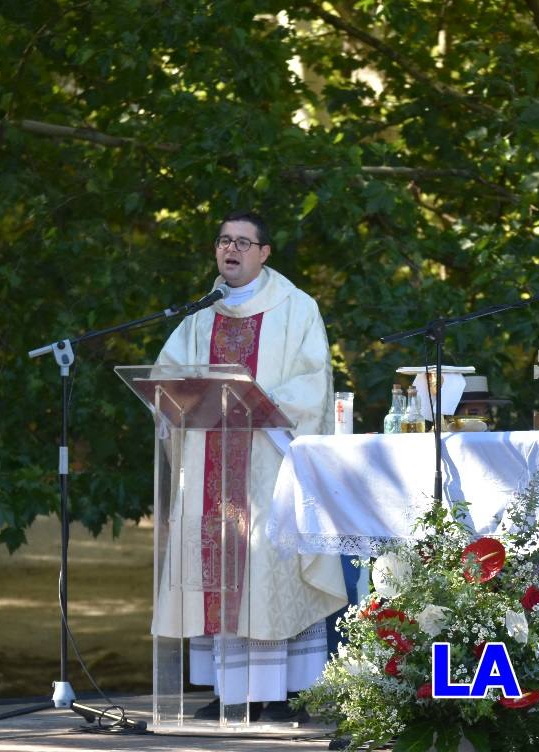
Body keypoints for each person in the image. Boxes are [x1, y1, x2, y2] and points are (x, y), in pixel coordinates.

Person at [152, 209, 347, 721]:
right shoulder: (200, 314)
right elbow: (166, 380)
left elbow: (313, 385)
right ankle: (228, 690)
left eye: (242, 242)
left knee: (267, 567)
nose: (230, 250)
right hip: (210, 461)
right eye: (222, 241)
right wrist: (176, 402)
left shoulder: (296, 308)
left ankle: (276, 693)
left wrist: (255, 402)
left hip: (268, 463)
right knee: (216, 569)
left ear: (264, 253)